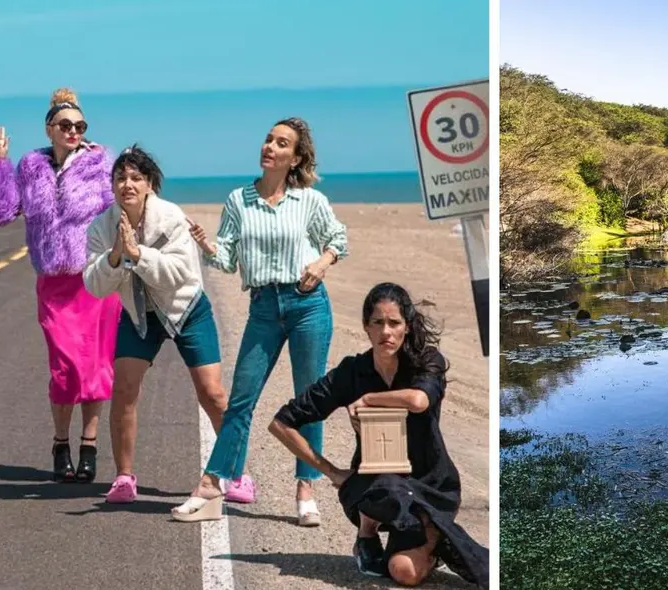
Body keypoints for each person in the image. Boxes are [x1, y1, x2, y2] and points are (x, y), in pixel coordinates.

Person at [173, 117, 348, 525]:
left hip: (308, 306)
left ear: (295, 157)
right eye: (268, 139)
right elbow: (229, 260)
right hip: (264, 307)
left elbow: (338, 240)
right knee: (241, 400)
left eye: (281, 143)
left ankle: (306, 489)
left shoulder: (310, 202)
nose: (270, 146)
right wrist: (207, 246)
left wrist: (322, 263)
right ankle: (211, 484)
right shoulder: (238, 200)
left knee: (310, 401)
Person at [266, 283, 488, 589]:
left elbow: (419, 401)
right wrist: (333, 472)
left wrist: (369, 400)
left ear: (407, 327)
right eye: (378, 323)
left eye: (395, 323)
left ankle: (432, 539)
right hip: (376, 490)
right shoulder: (351, 372)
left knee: (403, 572)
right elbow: (281, 423)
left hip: (431, 486)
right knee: (380, 484)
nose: (387, 331)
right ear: (366, 328)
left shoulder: (427, 361)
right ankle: (369, 534)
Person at [82, 145, 229, 503]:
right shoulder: (102, 227)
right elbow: (94, 285)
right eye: (120, 178)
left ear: (150, 184)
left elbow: (179, 274)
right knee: (125, 388)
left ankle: (234, 472)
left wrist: (137, 254)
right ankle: (123, 477)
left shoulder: (171, 217)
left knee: (212, 393)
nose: (127, 184)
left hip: (186, 308)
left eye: (136, 177)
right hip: (138, 315)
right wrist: (115, 256)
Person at [0, 88, 121, 484]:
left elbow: (122, 209)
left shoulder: (102, 164)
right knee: (64, 370)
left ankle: (89, 446)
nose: (74, 131)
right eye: (66, 125)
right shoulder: (31, 167)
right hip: (54, 283)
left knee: (97, 367)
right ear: (49, 129)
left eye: (80, 126)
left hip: (95, 281)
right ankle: (60, 443)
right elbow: (2, 212)